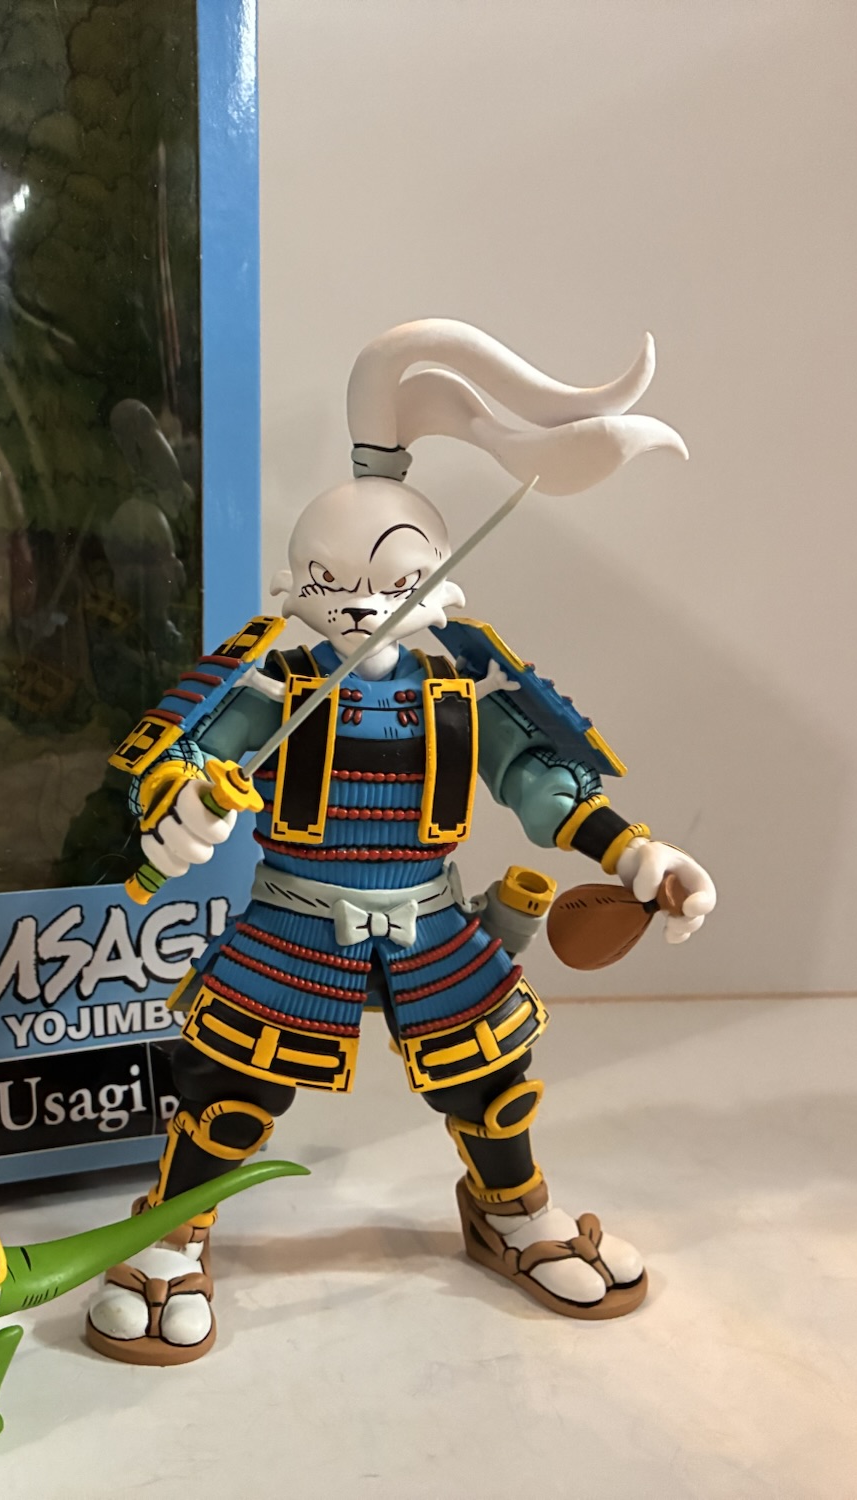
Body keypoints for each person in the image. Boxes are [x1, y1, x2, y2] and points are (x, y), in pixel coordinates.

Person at [85, 320, 718, 1364]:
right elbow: (186, 758)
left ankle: (511, 1213)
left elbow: (540, 782)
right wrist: (183, 808)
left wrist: (636, 855)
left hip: (427, 920)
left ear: (438, 581)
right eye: (328, 577)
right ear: (296, 582)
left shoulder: (463, 689)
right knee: (231, 1085)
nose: (359, 602)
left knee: (490, 1077)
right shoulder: (276, 686)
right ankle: (170, 1237)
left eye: (388, 576)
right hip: (294, 924)